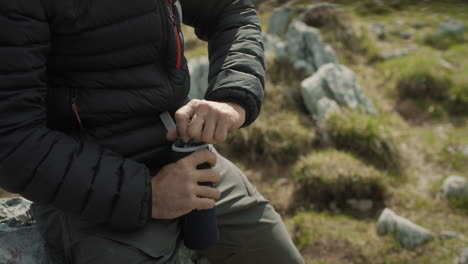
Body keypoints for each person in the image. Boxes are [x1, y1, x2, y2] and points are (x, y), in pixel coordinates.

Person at [0, 0, 304, 263]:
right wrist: (147, 194)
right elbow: (11, 142)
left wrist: (233, 98)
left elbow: (231, 10)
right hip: (89, 191)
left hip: (188, 158)